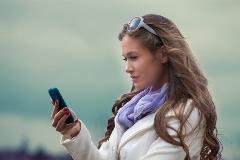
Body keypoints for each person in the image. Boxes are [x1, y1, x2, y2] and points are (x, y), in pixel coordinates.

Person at [50, 14, 222, 160]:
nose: (127, 68)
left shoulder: (187, 113)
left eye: (134, 57)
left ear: (163, 54)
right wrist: (74, 132)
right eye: (126, 59)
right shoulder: (130, 112)